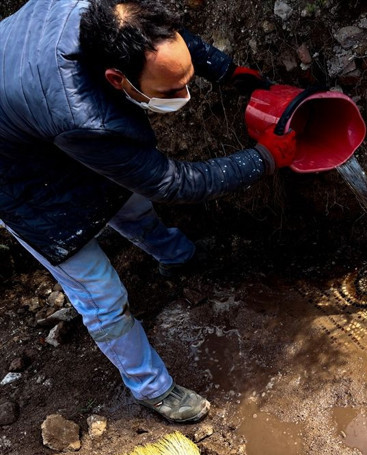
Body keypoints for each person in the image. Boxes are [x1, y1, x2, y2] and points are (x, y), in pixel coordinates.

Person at [0, 0, 295, 423]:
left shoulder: (113, 17)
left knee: (128, 201)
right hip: (16, 182)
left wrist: (223, 69)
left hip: (28, 113)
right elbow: (173, 182)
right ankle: (152, 388)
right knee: (100, 294)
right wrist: (263, 159)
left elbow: (162, 39)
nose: (184, 97)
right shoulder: (84, 117)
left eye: (186, 81)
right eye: (171, 92)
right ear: (116, 79)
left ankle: (176, 257)